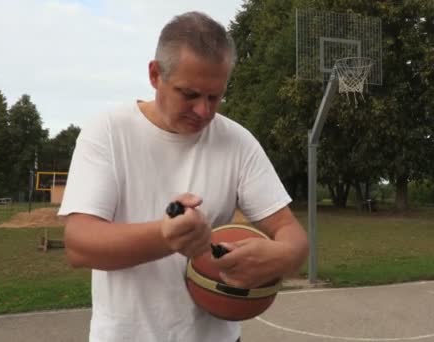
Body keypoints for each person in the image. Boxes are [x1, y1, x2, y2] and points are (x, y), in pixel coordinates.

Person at [58, 11, 308, 342]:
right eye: (189, 94)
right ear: (154, 74)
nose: (204, 111)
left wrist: (283, 256)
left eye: (214, 96)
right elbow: (79, 245)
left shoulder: (238, 142)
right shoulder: (107, 132)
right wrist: (166, 236)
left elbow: (291, 232)